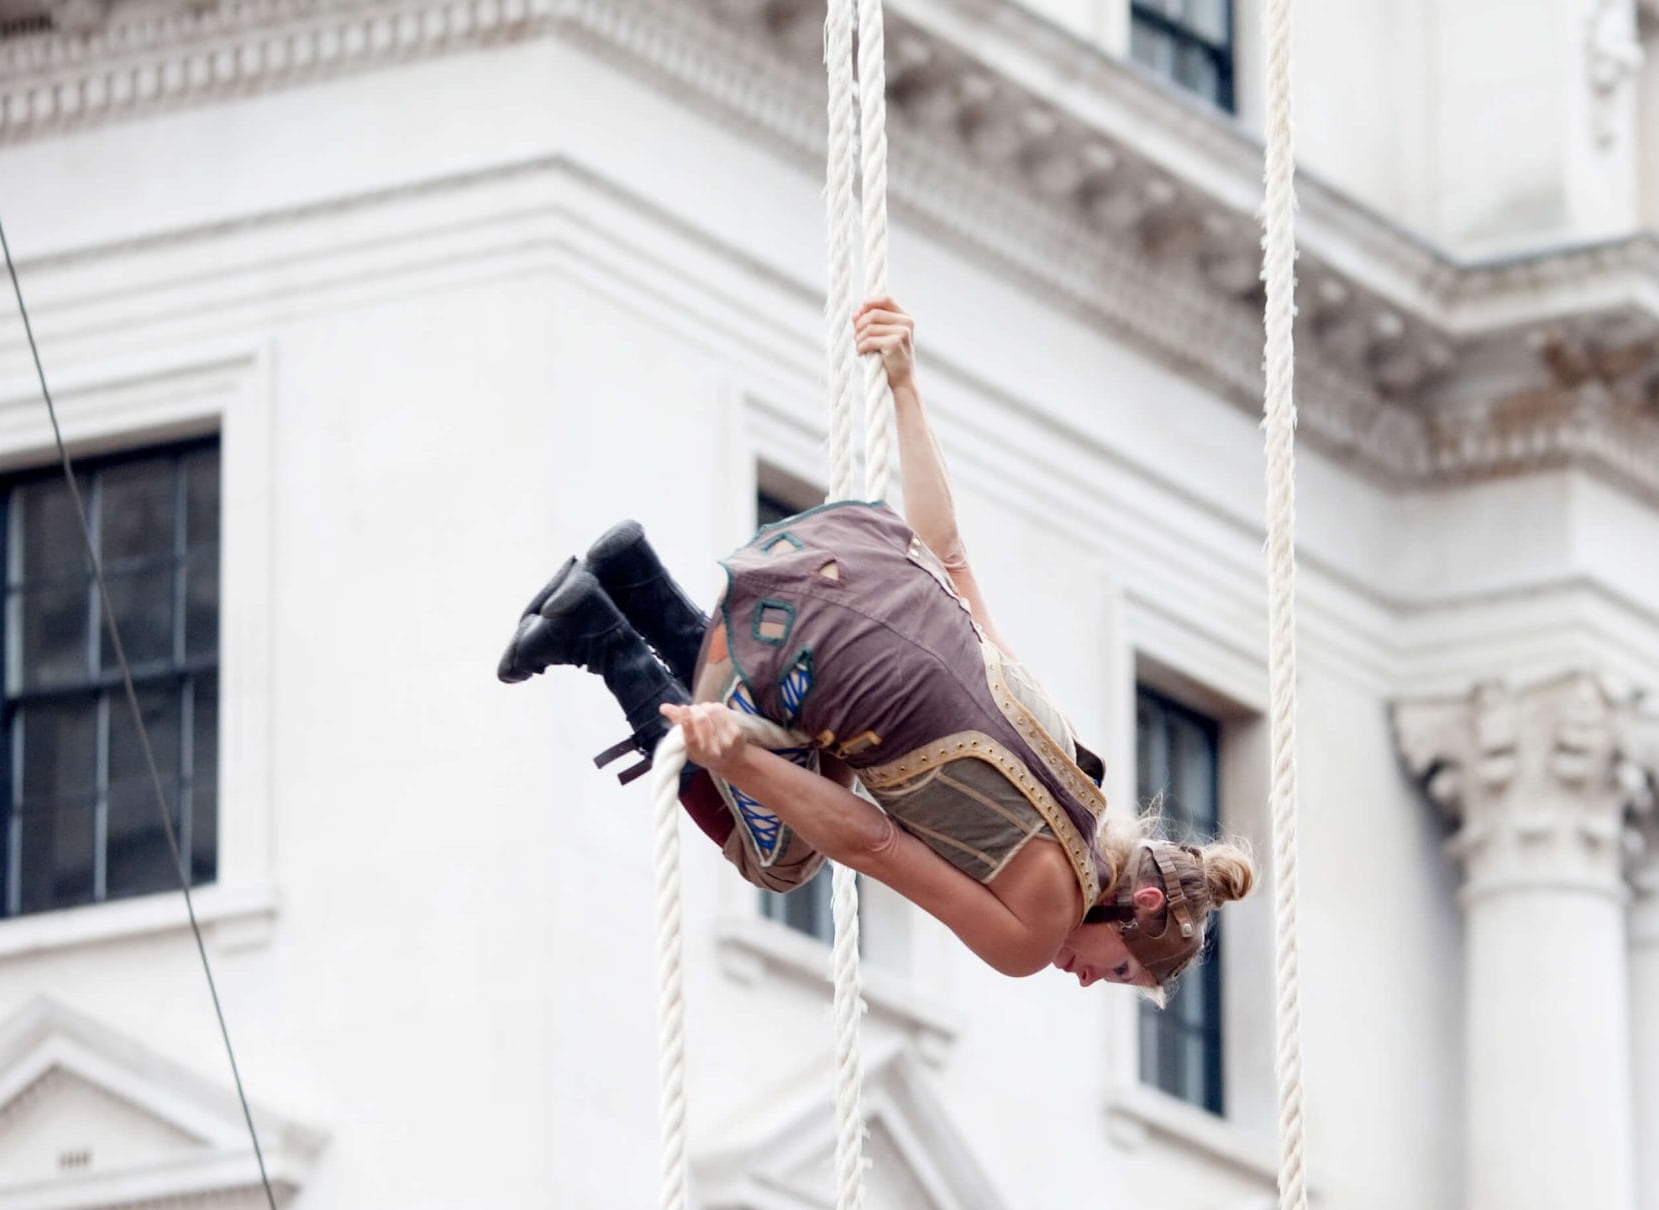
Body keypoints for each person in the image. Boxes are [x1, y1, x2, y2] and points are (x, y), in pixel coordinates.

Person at [497, 298, 1251, 991]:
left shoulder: (1070, 758)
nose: (1085, 980)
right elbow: (874, 844)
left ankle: (634, 581)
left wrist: (905, 386)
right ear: (1140, 904)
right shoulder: (1033, 934)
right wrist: (737, 759)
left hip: (839, 562)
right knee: (779, 860)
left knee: (814, 751)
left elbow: (949, 557)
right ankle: (602, 641)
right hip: (812, 656)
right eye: (1117, 970)